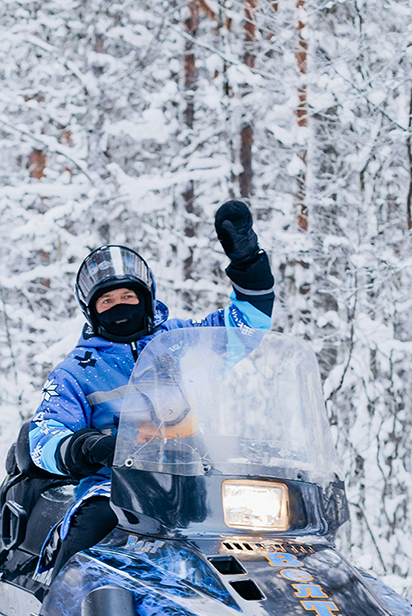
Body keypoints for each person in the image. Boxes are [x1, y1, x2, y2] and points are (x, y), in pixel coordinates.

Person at [28, 201, 275, 575]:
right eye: (107, 301)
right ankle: (58, 609)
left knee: (262, 527)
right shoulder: (75, 371)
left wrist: (247, 262)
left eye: (128, 297)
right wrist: (86, 446)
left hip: (194, 476)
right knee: (94, 520)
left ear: (145, 299)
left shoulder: (183, 340)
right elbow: (43, 436)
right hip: (115, 484)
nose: (119, 307)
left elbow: (248, 325)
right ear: (92, 312)